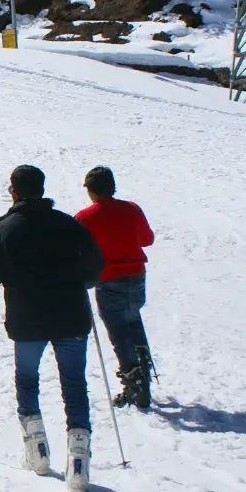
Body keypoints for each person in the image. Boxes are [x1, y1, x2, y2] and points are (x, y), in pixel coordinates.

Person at [0, 165, 104, 492]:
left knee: (27, 379)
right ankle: (79, 463)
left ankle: (37, 449)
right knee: (74, 384)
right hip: (71, 316)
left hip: (28, 320)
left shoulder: (6, 228)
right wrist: (77, 282)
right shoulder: (69, 224)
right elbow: (95, 266)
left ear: (13, 191)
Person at [75, 166, 156, 409]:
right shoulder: (131, 209)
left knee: (119, 333)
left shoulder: (85, 218)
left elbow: (78, 250)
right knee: (133, 320)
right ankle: (144, 370)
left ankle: (135, 385)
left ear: (91, 190)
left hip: (109, 280)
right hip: (137, 277)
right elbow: (147, 240)